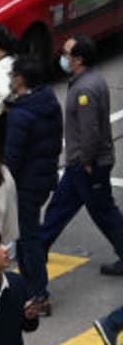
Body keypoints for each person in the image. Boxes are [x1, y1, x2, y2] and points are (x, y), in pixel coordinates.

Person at [36, 35, 123, 284]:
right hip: (82, 163)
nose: (63, 57)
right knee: (60, 206)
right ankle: (39, 247)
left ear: (79, 59)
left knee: (103, 211)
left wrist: (86, 161)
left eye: (66, 54)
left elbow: (90, 131)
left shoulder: (85, 88)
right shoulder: (90, 80)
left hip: (88, 164)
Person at [2, 56, 62, 308]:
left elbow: (13, 156)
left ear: (20, 79)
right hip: (44, 177)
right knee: (27, 234)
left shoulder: (21, 114)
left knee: (28, 237)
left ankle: (38, 292)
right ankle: (30, 287)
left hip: (25, 183)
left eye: (12, 75)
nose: (10, 80)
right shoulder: (49, 101)